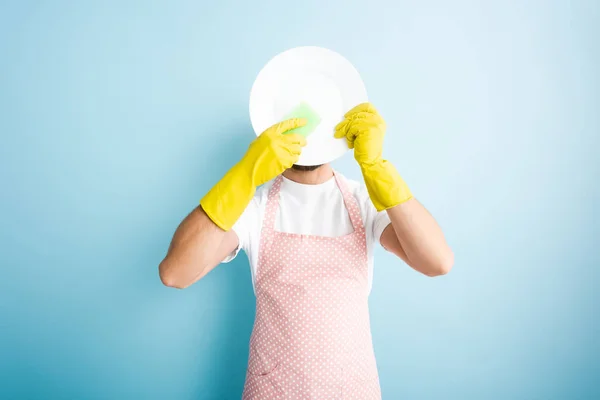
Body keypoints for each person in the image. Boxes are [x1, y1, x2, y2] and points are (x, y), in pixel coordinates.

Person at [159, 103, 453, 399]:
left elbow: (437, 262)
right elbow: (175, 273)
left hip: (351, 389)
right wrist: (244, 174)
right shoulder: (252, 207)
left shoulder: (364, 201)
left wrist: (377, 168)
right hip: (273, 391)